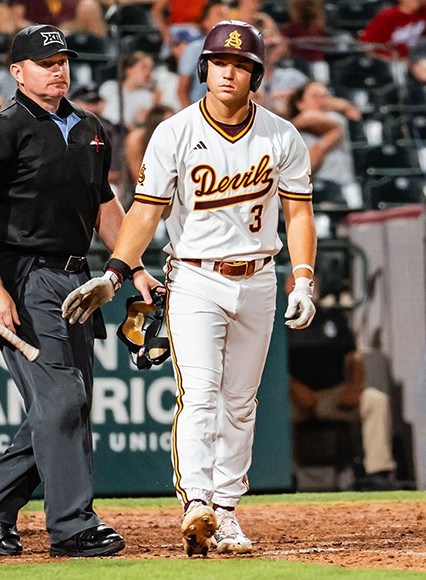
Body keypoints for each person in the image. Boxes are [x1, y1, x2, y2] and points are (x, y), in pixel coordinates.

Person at [62, 20, 317, 557]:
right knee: (200, 393)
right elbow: (145, 212)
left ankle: (225, 512)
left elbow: (299, 215)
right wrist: (115, 271)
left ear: (256, 75)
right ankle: (196, 502)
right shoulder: (175, 132)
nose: (229, 72)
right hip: (196, 276)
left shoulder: (281, 134)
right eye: (220, 63)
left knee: (241, 402)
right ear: (204, 68)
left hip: (259, 278)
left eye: (241, 65)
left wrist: (304, 277)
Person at [0, 24, 157, 559]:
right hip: (24, 278)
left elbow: (104, 205)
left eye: (63, 59)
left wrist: (132, 268)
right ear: (17, 72)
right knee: (63, 399)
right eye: (46, 62)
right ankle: (71, 526)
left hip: (79, 277)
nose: (59, 68)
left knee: (68, 402)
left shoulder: (90, 127)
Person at [288, 306, 398, 490]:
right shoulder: (273, 316)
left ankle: (379, 474)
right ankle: (282, 478)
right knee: (264, 411)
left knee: (375, 400)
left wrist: (355, 387)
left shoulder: (332, 316)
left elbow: (353, 358)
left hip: (333, 394)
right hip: (292, 397)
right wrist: (294, 387)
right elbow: (267, 362)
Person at [177, 0, 228, 108]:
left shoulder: (236, 50)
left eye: (227, 15)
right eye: (220, 15)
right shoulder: (194, 49)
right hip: (199, 110)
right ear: (206, 22)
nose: (225, 19)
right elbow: (182, 90)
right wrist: (191, 118)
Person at [100, 51, 159, 128]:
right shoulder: (109, 87)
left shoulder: (148, 96)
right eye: (143, 67)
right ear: (129, 69)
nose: (148, 72)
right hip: (105, 130)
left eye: (150, 68)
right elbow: (100, 111)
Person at [360, 0, 426, 60]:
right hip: (392, 63)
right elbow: (366, 46)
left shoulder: (425, 12)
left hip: (421, 60)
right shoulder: (387, 16)